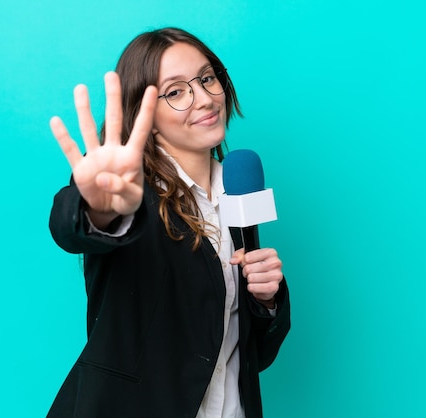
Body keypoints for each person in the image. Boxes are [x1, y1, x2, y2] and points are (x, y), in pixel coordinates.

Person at [47, 27, 290, 418]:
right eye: (176, 92)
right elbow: (71, 227)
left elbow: (245, 353)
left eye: (207, 78)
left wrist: (265, 302)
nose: (205, 99)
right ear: (146, 115)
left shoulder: (236, 188)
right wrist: (99, 206)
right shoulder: (130, 194)